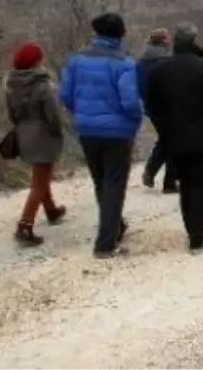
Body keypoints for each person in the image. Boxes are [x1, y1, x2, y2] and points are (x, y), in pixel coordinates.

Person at [59, 13, 142, 259]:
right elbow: (129, 101)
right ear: (120, 35)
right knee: (114, 184)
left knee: (100, 181)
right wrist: (136, 119)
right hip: (118, 132)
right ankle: (105, 243)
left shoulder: (75, 61)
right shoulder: (124, 63)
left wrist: (82, 113)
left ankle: (115, 225)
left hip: (87, 129)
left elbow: (65, 95)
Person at [144, 23, 203, 253]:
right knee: (201, 182)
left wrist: (163, 129)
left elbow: (151, 105)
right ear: (194, 42)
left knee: (184, 184)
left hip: (173, 136)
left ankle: (191, 229)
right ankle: (199, 233)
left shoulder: (160, 71)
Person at [6, 41, 67, 248]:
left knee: (40, 174)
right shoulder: (42, 84)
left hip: (24, 134)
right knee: (40, 180)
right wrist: (58, 132)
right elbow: (52, 114)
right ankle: (25, 225)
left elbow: (11, 115)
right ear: (36, 62)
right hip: (43, 134)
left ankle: (51, 210)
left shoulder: (10, 84)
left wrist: (23, 129)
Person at [138, 29, 177, 194]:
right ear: (165, 42)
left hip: (150, 107)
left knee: (166, 139)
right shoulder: (168, 61)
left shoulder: (140, 62)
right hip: (170, 106)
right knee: (174, 141)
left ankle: (152, 171)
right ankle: (168, 182)